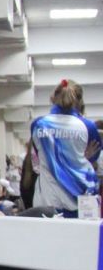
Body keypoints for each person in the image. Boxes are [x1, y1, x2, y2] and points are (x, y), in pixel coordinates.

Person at [29, 78, 101, 216]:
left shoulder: (38, 124)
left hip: (46, 201)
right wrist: (80, 157)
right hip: (80, 201)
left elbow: (40, 155)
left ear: (53, 98)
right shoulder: (88, 127)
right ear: (79, 101)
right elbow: (95, 156)